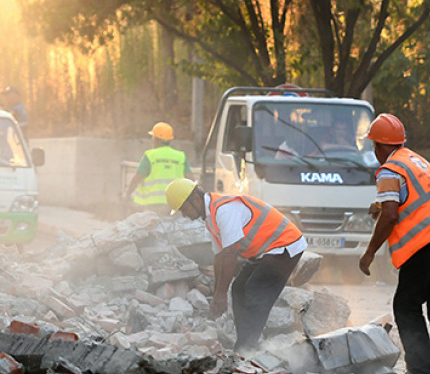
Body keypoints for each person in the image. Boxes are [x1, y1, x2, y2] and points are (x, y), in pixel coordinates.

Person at [358, 113, 430, 374]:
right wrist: (382, 207)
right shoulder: (415, 160)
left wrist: (369, 252)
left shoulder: (388, 170)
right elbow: (411, 201)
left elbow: (390, 215)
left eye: (374, 146)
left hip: (429, 245)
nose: (374, 152)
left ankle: (420, 372)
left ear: (380, 146)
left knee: (406, 305)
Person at [166, 178, 305, 353]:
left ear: (195, 199)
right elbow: (219, 256)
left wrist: (221, 295)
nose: (185, 215)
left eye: (184, 209)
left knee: (255, 290)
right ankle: (245, 343)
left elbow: (230, 253)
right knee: (238, 288)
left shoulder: (224, 210)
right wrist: (218, 293)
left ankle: (247, 348)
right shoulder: (210, 218)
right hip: (266, 250)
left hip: (285, 245)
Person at [123, 121, 192, 214]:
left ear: (156, 139)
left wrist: (127, 195)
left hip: (154, 205)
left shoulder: (150, 156)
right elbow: (191, 180)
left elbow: (137, 178)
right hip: (176, 205)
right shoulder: (180, 157)